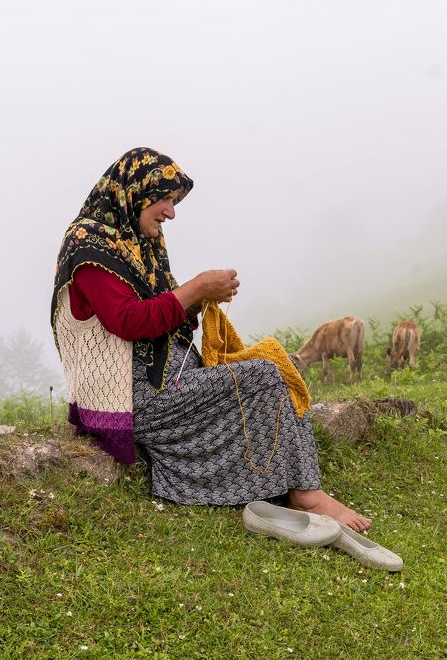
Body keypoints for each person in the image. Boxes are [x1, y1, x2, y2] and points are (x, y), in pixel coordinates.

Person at [51, 147, 370, 531]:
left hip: (166, 381)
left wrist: (198, 302)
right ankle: (305, 495)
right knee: (265, 375)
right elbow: (127, 322)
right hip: (132, 395)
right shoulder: (90, 246)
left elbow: (158, 313)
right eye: (165, 199)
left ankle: (287, 484)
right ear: (136, 191)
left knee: (273, 365)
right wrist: (197, 287)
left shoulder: (135, 244)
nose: (171, 212)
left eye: (174, 201)